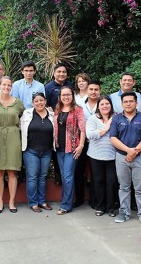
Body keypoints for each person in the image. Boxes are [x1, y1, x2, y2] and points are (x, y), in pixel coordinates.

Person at [110, 92, 141, 226]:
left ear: (136, 103)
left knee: (140, 187)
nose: (128, 104)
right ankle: (124, 212)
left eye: (131, 101)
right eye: (125, 101)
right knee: (124, 186)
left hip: (140, 158)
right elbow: (113, 138)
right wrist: (128, 151)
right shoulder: (117, 119)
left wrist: (135, 151)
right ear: (122, 103)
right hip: (122, 157)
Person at [0, 76, 25, 214]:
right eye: (4, 85)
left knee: (12, 171)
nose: (6, 87)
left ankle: (11, 202)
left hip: (13, 137)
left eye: (9, 85)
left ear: (11, 87)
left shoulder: (18, 103)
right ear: (0, 86)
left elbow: (23, 117)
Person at [54, 86, 86, 215]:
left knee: (67, 176)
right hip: (59, 148)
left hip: (72, 148)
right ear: (60, 96)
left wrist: (81, 146)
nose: (66, 97)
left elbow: (82, 129)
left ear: (72, 96)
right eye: (63, 95)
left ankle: (66, 205)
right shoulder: (57, 109)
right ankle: (66, 201)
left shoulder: (78, 110)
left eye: (68, 94)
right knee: (64, 176)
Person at [21, 92, 55, 213]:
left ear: (45, 101)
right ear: (32, 103)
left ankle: (42, 201)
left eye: (41, 100)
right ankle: (33, 202)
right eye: (36, 101)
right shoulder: (27, 114)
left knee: (42, 177)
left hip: (46, 151)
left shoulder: (51, 114)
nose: (39, 103)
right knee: (32, 177)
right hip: (31, 151)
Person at [86, 95, 117, 217]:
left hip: (113, 155)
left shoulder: (116, 117)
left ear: (111, 105)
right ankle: (100, 206)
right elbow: (90, 135)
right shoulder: (93, 119)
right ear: (98, 106)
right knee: (98, 181)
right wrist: (106, 129)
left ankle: (111, 207)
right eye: (102, 104)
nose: (105, 106)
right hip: (96, 155)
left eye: (107, 104)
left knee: (112, 181)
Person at [45, 64, 74, 185]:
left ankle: (67, 176)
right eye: (59, 72)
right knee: (56, 148)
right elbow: (45, 103)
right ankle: (58, 174)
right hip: (55, 121)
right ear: (54, 73)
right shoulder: (48, 87)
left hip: (70, 121)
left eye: (64, 72)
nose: (61, 74)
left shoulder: (71, 85)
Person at [74, 80, 101, 208]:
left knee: (96, 172)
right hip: (82, 142)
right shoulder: (79, 106)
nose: (93, 92)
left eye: (96, 90)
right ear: (87, 91)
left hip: (99, 143)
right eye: (91, 89)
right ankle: (79, 198)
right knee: (79, 171)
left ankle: (94, 199)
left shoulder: (104, 105)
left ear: (99, 91)